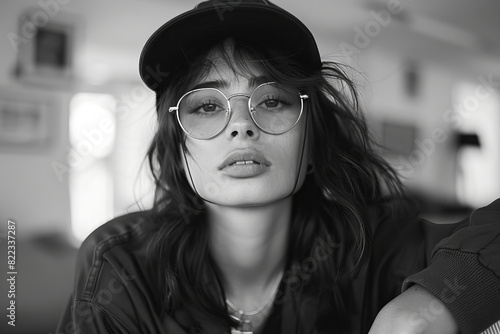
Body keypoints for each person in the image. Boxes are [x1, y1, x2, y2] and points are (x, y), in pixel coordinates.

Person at [56, 1, 500, 333]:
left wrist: (434, 304)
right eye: (208, 106)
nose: (242, 127)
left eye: (271, 100)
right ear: (179, 146)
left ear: (311, 138)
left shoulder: (380, 247)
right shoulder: (120, 264)